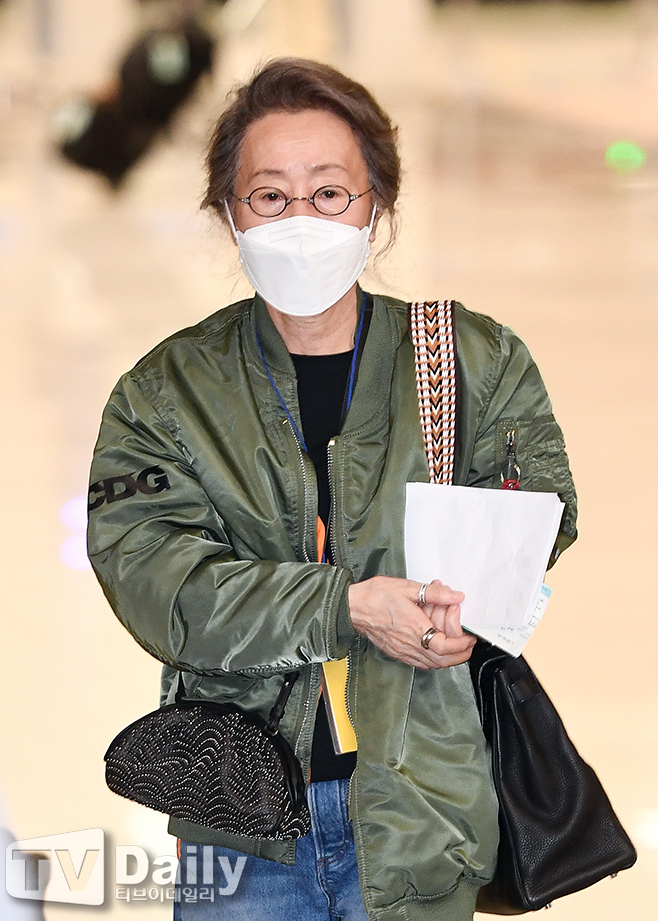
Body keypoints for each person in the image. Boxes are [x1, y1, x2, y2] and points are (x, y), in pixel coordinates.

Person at [87, 58, 577, 921]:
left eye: (329, 194)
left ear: (375, 205)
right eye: (270, 197)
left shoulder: (472, 360)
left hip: (421, 808)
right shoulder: (165, 392)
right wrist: (343, 605)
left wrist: (475, 607)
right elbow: (157, 581)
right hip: (240, 824)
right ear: (228, 212)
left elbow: (542, 509)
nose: (301, 221)